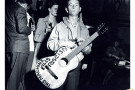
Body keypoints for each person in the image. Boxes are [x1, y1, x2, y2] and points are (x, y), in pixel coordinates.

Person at [47, 0, 92, 90]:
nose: (73, 7)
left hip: (75, 67)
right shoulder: (59, 26)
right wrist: (64, 43)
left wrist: (85, 47)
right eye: (71, 5)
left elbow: (88, 50)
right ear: (67, 9)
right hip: (58, 64)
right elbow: (49, 44)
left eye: (76, 5)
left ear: (80, 9)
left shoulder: (85, 30)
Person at [5, 0, 32, 90]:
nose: (26, 8)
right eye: (27, 6)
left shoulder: (7, 8)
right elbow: (22, 28)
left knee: (16, 78)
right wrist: (30, 29)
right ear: (25, 3)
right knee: (14, 79)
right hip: (20, 47)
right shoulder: (20, 9)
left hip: (10, 46)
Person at [31, 0, 59, 70]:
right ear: (49, 9)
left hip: (51, 52)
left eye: (58, 9)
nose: (57, 10)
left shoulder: (58, 24)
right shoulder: (42, 20)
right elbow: (36, 38)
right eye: (55, 9)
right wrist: (45, 33)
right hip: (40, 50)